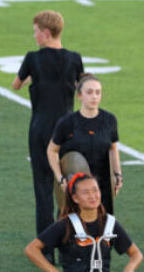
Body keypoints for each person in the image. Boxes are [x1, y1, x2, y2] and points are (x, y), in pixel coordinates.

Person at [12, 10, 84, 248]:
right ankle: (69, 237)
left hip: (41, 127)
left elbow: (16, 85)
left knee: (42, 187)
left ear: (45, 33)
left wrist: (36, 81)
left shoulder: (32, 58)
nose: (34, 36)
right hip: (68, 127)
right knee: (69, 185)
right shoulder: (74, 58)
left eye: (35, 32)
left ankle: (45, 245)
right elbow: (82, 85)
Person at [47, 74, 122, 214]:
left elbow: (113, 148)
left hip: (101, 186)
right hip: (75, 187)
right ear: (80, 96)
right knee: (71, 229)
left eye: (98, 92)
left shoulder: (109, 120)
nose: (94, 97)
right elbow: (52, 150)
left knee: (101, 228)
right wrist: (60, 178)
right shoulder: (66, 123)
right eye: (89, 92)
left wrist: (117, 175)